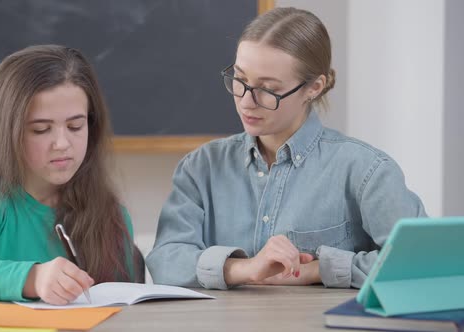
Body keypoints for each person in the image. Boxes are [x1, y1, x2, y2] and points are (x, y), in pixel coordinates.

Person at [146, 7, 426, 290]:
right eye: (240, 80)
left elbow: (422, 261)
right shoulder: (200, 167)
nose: (246, 102)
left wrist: (320, 269)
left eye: (267, 90)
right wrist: (244, 268)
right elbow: (165, 262)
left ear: (314, 87)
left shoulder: (366, 170)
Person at [0, 45, 139, 304]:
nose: (61, 143)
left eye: (75, 126)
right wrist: (35, 278)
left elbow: (123, 302)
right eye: (40, 129)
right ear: (8, 133)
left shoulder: (111, 214)